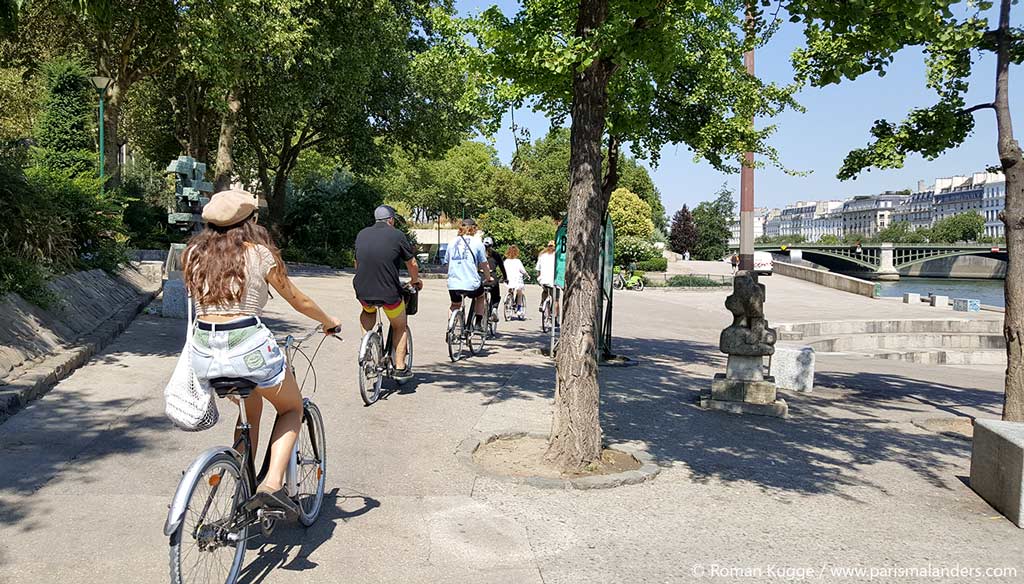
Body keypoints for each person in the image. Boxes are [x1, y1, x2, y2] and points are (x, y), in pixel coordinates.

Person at [184, 189, 340, 515]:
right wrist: (328, 321)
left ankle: (240, 484)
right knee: (291, 408)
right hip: (247, 348)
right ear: (250, 222)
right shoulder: (259, 255)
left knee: (249, 410)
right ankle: (272, 484)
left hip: (205, 353)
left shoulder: (194, 254)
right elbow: (298, 300)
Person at [353, 205, 422, 382]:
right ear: (391, 219)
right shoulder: (397, 235)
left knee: (368, 311)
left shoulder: (362, 234)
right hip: (389, 293)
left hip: (363, 290)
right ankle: (400, 367)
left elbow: (357, 263)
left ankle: (367, 346)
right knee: (400, 325)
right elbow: (412, 263)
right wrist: (415, 281)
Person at [446, 218, 493, 328]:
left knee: (455, 305)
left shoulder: (452, 242)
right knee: (480, 296)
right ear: (474, 229)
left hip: (454, 284)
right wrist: (488, 277)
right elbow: (484, 264)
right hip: (471, 283)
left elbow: (448, 263)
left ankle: (450, 327)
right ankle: (478, 324)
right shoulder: (477, 243)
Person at [483, 236, 506, 322]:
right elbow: (502, 267)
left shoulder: (479, 253)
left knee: (478, 295)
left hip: (481, 278)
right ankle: (494, 309)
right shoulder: (496, 254)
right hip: (492, 277)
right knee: (496, 295)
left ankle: (475, 313)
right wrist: (505, 277)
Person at [502, 245, 528, 319]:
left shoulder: (506, 261)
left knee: (510, 288)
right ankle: (519, 308)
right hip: (517, 279)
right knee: (519, 293)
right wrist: (527, 275)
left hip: (508, 279)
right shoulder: (518, 261)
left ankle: (508, 300)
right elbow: (522, 270)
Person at [535, 240, 557, 315]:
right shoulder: (557, 256)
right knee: (556, 299)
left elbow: (538, 269)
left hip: (543, 279)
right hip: (553, 280)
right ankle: (555, 317)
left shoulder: (542, 255)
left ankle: (542, 303)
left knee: (545, 290)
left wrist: (538, 278)